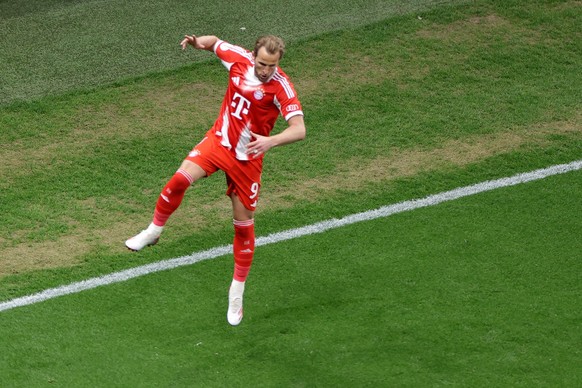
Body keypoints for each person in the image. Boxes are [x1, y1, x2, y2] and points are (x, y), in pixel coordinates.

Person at [125, 34, 306, 326]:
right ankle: (153, 231)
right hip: (218, 143)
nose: (264, 70)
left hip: (247, 160)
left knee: (243, 228)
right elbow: (214, 42)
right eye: (261, 63)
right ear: (253, 55)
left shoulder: (281, 86)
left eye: (271, 66)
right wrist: (198, 42)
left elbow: (299, 129)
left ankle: (236, 293)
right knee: (178, 181)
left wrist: (271, 141)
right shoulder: (238, 58)